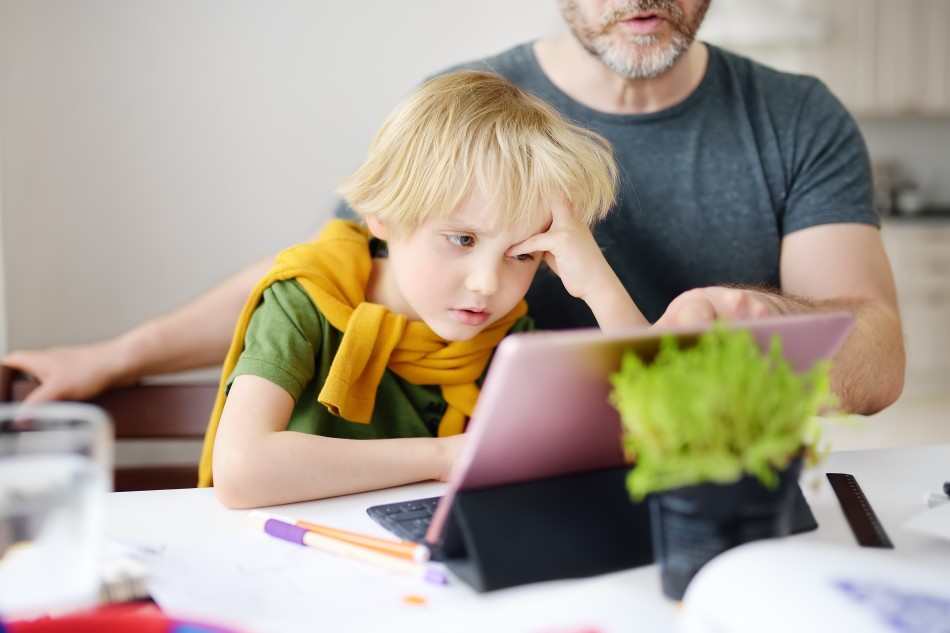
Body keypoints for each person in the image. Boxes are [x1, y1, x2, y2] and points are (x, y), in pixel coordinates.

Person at [3, 0, 904, 416]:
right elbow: (327, 278)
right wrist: (113, 355)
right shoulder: (467, 104)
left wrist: (760, 320)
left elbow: (876, 365)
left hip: (718, 483)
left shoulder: (795, 116)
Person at [204, 70, 644, 508]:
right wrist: (442, 456)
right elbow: (242, 468)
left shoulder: (510, 338)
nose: (487, 284)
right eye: (462, 240)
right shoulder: (304, 301)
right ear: (385, 215)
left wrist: (600, 288)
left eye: (522, 254)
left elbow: (660, 430)